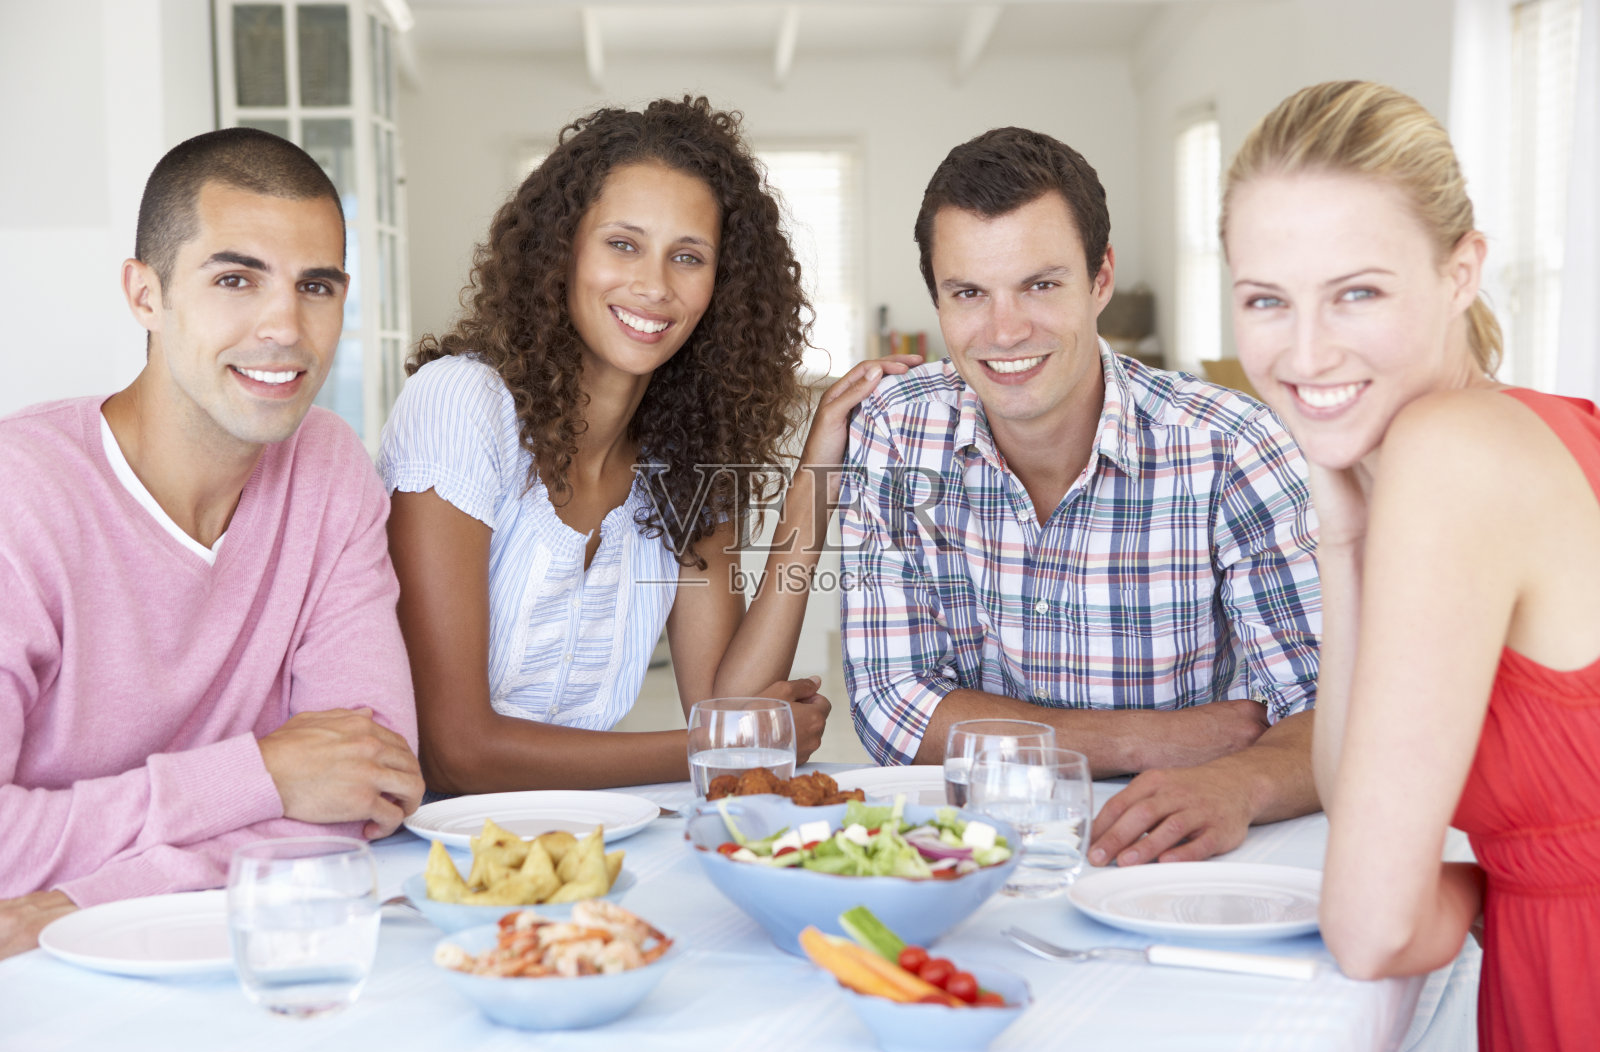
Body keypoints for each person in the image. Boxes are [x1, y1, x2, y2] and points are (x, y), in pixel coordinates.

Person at [379, 97, 918, 793]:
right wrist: (720, 741)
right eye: (623, 244)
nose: (654, 286)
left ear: (720, 287)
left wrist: (811, 490)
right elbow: (456, 751)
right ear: (563, 248)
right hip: (423, 850)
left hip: (582, 845)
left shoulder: (684, 454)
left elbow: (726, 707)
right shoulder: (459, 407)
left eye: (687, 256)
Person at [1224, 80, 1600, 1052]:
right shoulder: (1525, 428)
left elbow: (1372, 923)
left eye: (1358, 291)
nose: (1304, 352)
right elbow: (1359, 799)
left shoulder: (1453, 452)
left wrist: (1494, 889)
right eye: (1267, 299)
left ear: (1460, 271)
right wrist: (1341, 530)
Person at [839, 126, 1323, 866]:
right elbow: (894, 707)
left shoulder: (1231, 444)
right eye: (969, 292)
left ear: (1100, 280)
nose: (1005, 330)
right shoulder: (898, 430)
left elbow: (1327, 707)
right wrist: (1151, 738)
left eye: (1040, 284)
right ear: (937, 297)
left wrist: (1239, 784)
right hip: (974, 857)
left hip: (1181, 854)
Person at [0, 128, 425, 961]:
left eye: (317, 286)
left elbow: (364, 785)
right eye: (236, 278)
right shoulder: (22, 499)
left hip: (210, 953)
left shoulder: (329, 467)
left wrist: (81, 904)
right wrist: (262, 773)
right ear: (145, 294)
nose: (285, 326)